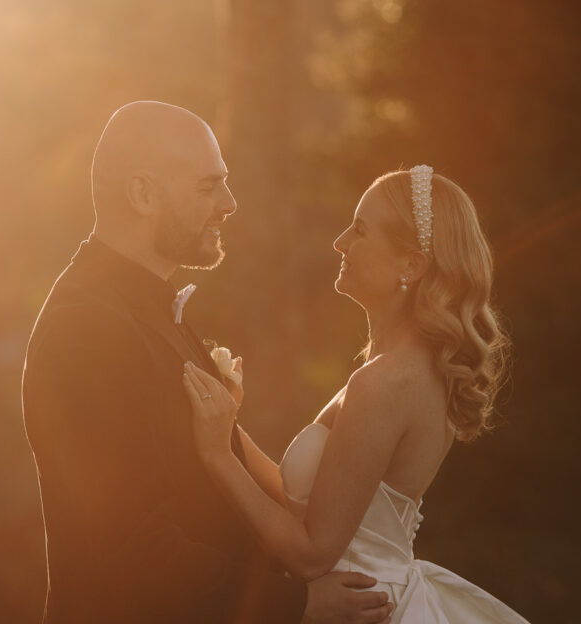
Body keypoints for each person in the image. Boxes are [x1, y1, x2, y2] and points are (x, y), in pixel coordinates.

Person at [21, 100, 394, 623]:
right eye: (207, 186)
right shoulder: (85, 329)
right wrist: (296, 606)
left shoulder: (149, 304)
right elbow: (129, 549)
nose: (230, 203)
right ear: (143, 193)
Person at [182, 166, 531, 623]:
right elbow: (305, 507)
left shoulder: (385, 383)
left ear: (411, 264)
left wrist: (216, 455)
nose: (340, 242)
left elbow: (312, 555)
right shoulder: (406, 371)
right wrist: (229, 429)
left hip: (358, 609)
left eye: (360, 230)